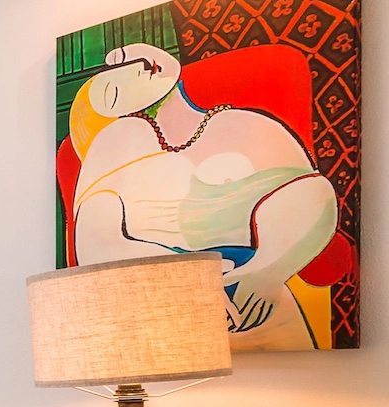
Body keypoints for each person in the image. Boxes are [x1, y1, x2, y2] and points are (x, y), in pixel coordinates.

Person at [65, 42, 337, 350]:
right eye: (112, 82)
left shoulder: (245, 124)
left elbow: (312, 196)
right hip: (159, 299)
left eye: (128, 62)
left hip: (254, 298)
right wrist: (191, 279)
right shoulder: (112, 144)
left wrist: (268, 270)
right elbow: (94, 243)